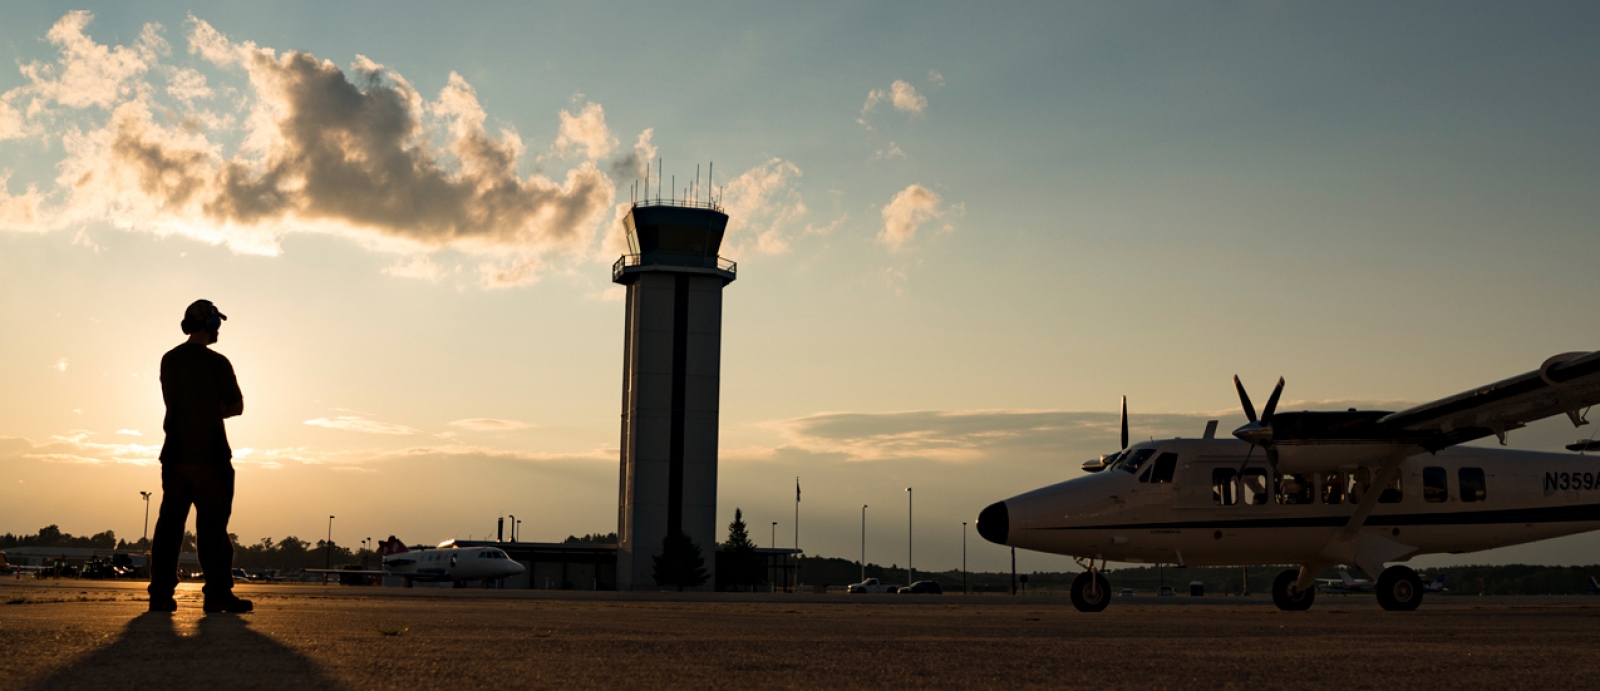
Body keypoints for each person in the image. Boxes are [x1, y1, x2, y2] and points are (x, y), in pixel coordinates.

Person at [148, 299, 252, 614]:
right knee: (212, 530)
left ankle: (160, 595)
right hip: (210, 457)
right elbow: (236, 406)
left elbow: (176, 402)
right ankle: (218, 594)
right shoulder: (218, 363)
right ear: (211, 324)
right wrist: (212, 410)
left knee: (169, 528)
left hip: (175, 456)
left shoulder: (169, 360)